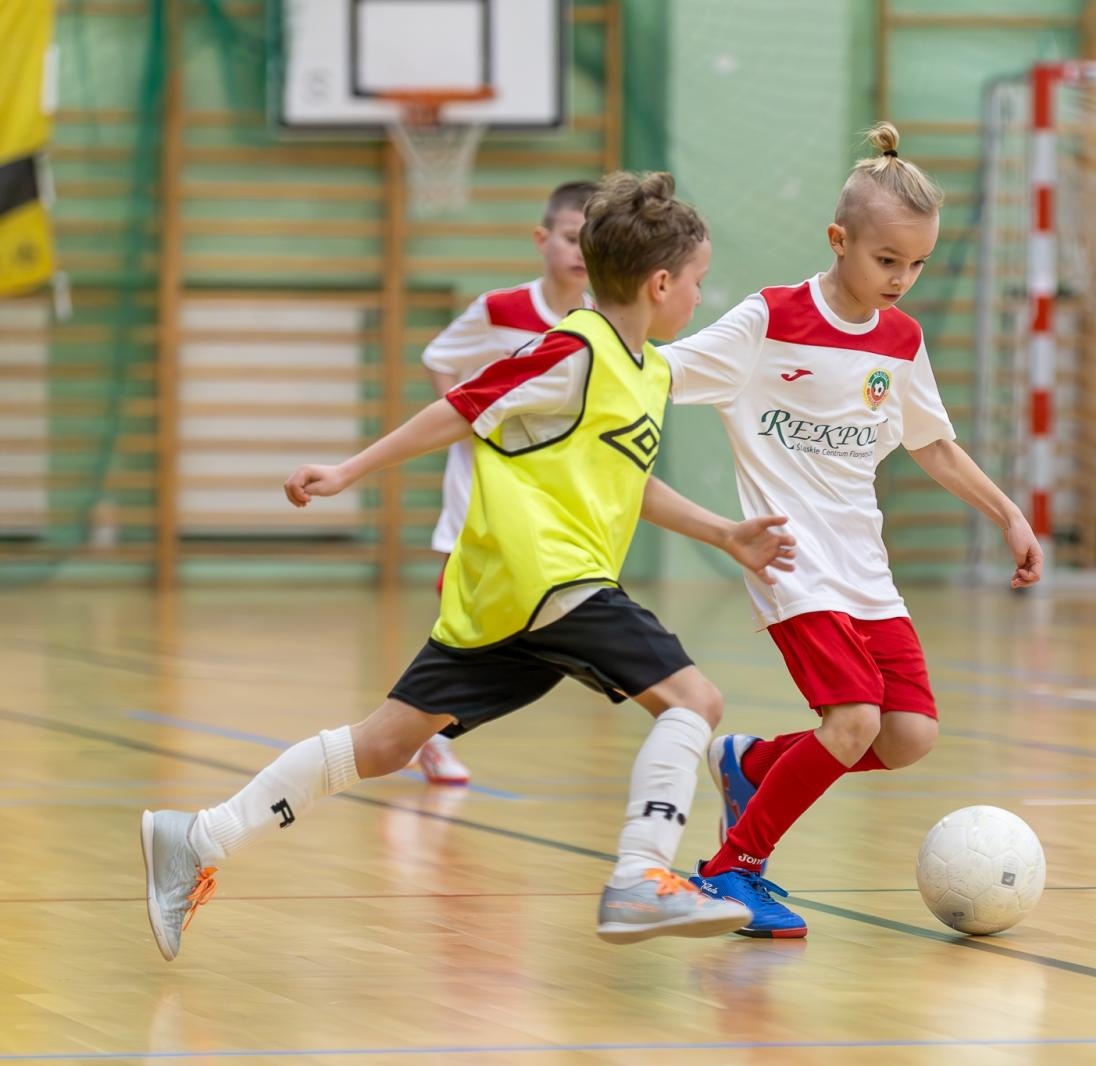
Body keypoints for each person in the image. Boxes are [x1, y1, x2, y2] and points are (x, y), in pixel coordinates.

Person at [139, 172, 796, 960]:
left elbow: (626, 476)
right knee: (695, 698)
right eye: (696, 281)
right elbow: (459, 406)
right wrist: (349, 470)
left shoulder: (646, 370)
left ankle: (197, 838)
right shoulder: (573, 351)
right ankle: (639, 876)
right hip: (547, 580)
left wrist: (723, 533)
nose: (700, 294)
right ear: (660, 284)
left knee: (384, 746)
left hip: (512, 603)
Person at [661, 123, 1043, 938]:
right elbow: (660, 371)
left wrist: (1007, 512)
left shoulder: (901, 341)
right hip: (791, 561)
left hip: (863, 567)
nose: (902, 280)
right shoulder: (770, 320)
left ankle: (752, 764)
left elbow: (932, 443)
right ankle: (733, 867)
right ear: (840, 240)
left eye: (917, 265)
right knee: (854, 722)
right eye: (886, 261)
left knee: (908, 735)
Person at [412, 180, 598, 785]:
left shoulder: (599, 321)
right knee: (466, 627)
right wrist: (466, 416)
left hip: (548, 505)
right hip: (478, 499)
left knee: (521, 637)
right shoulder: (499, 310)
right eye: (570, 237)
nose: (579, 251)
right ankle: (426, 730)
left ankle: (429, 728)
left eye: (591, 240)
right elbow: (440, 356)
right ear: (543, 239)